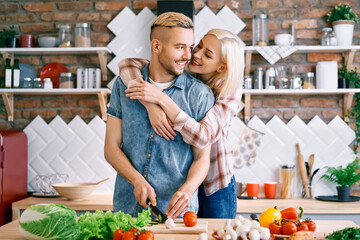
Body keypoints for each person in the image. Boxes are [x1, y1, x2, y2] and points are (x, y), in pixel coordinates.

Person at [119, 28, 245, 218]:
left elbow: (203, 137)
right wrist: (149, 105)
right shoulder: (187, 71)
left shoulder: (230, 93)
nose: (195, 54)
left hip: (214, 184)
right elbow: (127, 64)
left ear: (222, 67)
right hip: (182, 178)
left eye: (207, 54)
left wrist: (161, 100)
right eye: (199, 46)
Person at [104, 12, 215, 219]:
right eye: (180, 47)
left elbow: (202, 158)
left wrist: (188, 190)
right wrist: (136, 180)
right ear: (156, 46)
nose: (188, 56)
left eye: (190, 47)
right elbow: (111, 148)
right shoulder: (123, 85)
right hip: (128, 211)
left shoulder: (199, 94)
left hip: (179, 214)